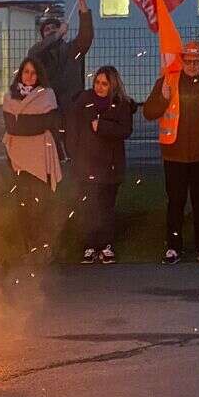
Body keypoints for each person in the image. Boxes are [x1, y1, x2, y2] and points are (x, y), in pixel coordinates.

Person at [143, 41, 199, 264]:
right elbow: (148, 113)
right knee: (176, 202)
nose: (192, 65)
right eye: (188, 61)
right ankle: (173, 247)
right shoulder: (167, 81)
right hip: (174, 155)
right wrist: (162, 98)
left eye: (196, 61)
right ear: (181, 61)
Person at [65, 65, 135, 264]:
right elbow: (73, 129)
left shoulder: (120, 104)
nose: (100, 87)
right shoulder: (84, 102)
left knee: (105, 206)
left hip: (110, 166)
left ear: (112, 85)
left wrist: (102, 126)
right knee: (88, 206)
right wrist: (74, 153)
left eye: (104, 84)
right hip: (86, 164)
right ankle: (89, 245)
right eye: (97, 82)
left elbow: (125, 130)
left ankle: (105, 245)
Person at [2, 57, 63, 264]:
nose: (29, 76)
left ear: (39, 76)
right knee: (24, 205)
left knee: (41, 205)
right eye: (26, 72)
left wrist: (25, 123)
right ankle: (28, 247)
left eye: (33, 73)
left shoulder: (47, 95)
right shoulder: (10, 96)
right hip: (18, 159)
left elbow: (47, 122)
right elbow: (13, 127)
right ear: (20, 73)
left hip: (40, 158)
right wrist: (31, 124)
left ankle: (44, 247)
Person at [28, 0, 94, 121]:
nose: (51, 30)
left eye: (55, 27)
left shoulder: (72, 49)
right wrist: (57, 34)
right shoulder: (38, 54)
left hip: (72, 110)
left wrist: (82, 3)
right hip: (47, 110)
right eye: (47, 29)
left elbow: (86, 36)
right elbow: (33, 53)